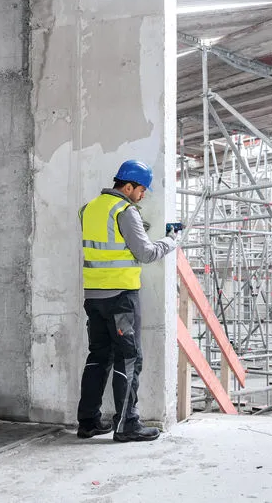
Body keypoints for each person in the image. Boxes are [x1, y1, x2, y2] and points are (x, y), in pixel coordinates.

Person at [76, 160, 180, 442]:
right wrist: (171, 241)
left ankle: (88, 422)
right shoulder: (125, 210)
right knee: (129, 359)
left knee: (98, 358)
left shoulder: (88, 209)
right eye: (142, 189)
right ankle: (126, 425)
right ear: (129, 186)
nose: (143, 195)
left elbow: (108, 242)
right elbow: (146, 254)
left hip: (93, 296)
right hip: (120, 297)